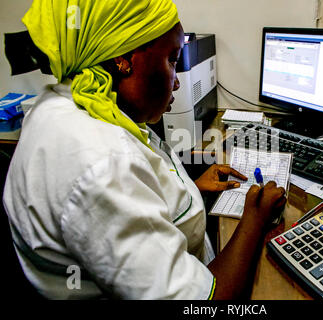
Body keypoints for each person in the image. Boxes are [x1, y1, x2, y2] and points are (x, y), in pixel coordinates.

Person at [3, 0, 286, 299]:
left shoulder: (66, 103)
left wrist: (188, 190)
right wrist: (255, 220)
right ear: (124, 59)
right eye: (172, 60)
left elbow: (135, 187)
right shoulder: (102, 162)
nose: (177, 82)